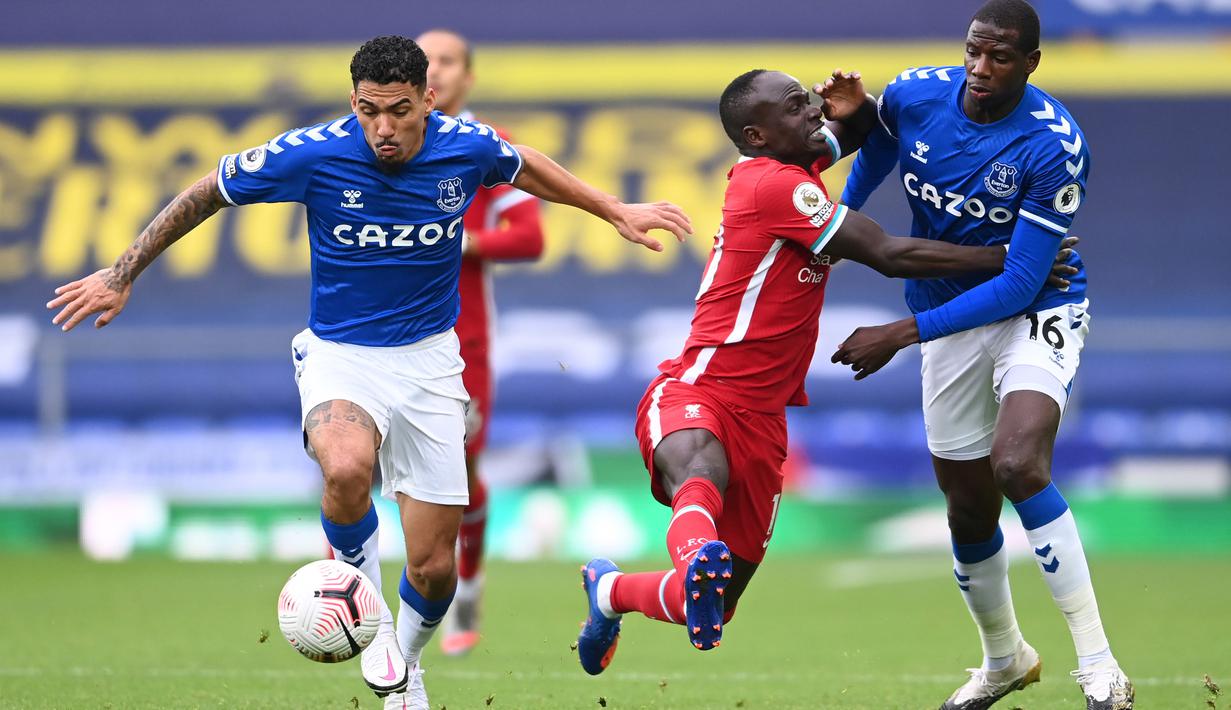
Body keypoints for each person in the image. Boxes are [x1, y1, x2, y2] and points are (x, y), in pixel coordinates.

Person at [46, 35, 689, 710]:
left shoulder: (464, 148)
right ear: (354, 102)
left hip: (431, 364)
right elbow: (208, 190)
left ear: (428, 101)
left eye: (399, 111)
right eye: (369, 110)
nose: (383, 127)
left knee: (435, 568)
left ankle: (406, 665)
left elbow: (524, 166)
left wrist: (613, 208)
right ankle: (368, 607)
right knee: (347, 468)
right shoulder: (313, 152)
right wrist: (121, 275)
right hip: (340, 354)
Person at [573, 67, 1078, 678]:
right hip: (698, 385)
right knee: (701, 470)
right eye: (797, 105)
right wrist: (1012, 259)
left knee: (710, 605)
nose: (814, 109)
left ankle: (608, 593)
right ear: (758, 135)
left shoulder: (798, 161)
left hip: (763, 418)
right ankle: (698, 551)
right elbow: (890, 255)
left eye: (810, 97)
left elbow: (858, 129)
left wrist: (857, 105)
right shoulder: (772, 185)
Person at [835, 2, 1132, 708]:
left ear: (1030, 63)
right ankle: (1004, 661)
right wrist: (834, 222)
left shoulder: (1051, 146)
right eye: (973, 50)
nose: (979, 68)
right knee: (967, 510)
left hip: (1034, 310)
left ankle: (1098, 665)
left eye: (999, 57)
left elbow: (1022, 281)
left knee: (1015, 464)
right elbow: (883, 142)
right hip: (946, 316)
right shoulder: (913, 92)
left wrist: (900, 334)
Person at [416, 28, 546, 657]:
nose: (433, 71)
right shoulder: (375, 141)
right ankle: (344, 586)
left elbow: (530, 238)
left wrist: (457, 242)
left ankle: (467, 586)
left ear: (467, 77)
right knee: (353, 455)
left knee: (461, 472)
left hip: (463, 338)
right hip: (377, 335)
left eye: (446, 61)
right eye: (424, 60)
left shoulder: (488, 149)